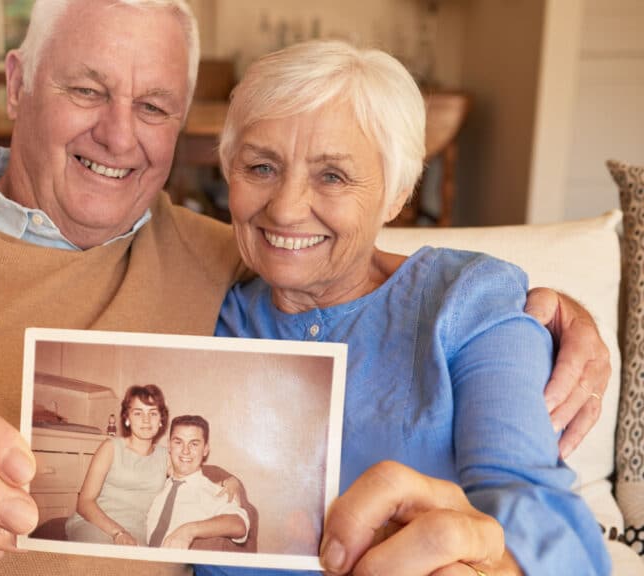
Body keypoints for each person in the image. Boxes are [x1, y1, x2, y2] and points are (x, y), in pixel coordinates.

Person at [0, 1, 611, 574]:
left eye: (154, 106)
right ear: (16, 82)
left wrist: (544, 313)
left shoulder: (219, 253)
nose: (118, 133)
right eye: (86, 89)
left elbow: (346, 265)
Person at [208, 40, 609, 575]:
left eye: (332, 176)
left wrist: (502, 564)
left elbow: (551, 525)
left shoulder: (469, 302)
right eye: (260, 167)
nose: (284, 208)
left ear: (396, 194)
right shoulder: (205, 292)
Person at [65, 385, 170, 544]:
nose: (146, 420)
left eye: (153, 413)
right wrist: (118, 532)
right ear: (127, 418)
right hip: (95, 524)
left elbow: (192, 480)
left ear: (161, 419)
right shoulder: (110, 447)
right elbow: (84, 502)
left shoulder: (166, 456)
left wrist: (221, 484)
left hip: (138, 532)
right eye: (138, 413)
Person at [145, 415, 248, 549]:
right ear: (169, 446)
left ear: (205, 449)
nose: (185, 451)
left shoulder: (215, 492)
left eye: (194, 444)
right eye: (178, 442)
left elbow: (239, 525)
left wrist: (189, 530)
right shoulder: (156, 484)